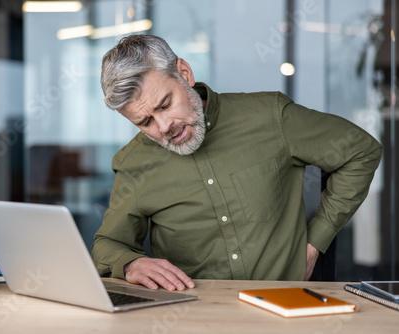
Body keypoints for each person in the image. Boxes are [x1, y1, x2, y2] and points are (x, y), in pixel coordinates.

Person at [91, 34, 382, 292]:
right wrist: (130, 265)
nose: (164, 126)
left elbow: (361, 151)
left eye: (165, 104)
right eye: (145, 122)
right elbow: (107, 244)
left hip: (285, 311)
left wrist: (315, 242)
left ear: (184, 73)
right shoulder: (134, 164)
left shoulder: (271, 117)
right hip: (191, 319)